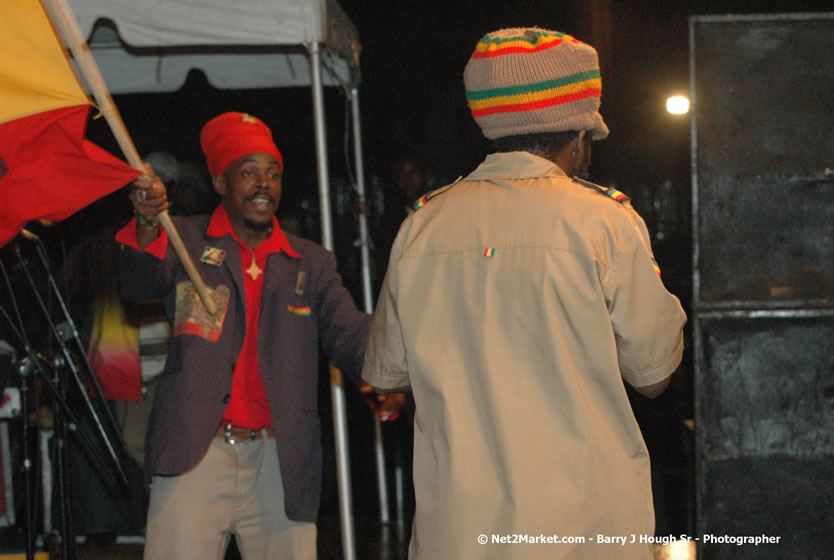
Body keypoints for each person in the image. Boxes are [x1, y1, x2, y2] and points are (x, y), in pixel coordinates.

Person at [362, 28, 687, 559]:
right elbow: (655, 375)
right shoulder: (604, 221)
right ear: (579, 136)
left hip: (462, 534)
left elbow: (386, 374)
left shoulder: (421, 226)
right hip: (582, 530)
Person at [117, 111, 403, 560]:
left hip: (280, 459)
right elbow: (138, 283)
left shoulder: (308, 261)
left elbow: (349, 332)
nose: (263, 183)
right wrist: (149, 222)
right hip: (195, 454)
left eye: (273, 173)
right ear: (220, 181)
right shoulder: (186, 238)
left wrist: (391, 372)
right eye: (248, 172)